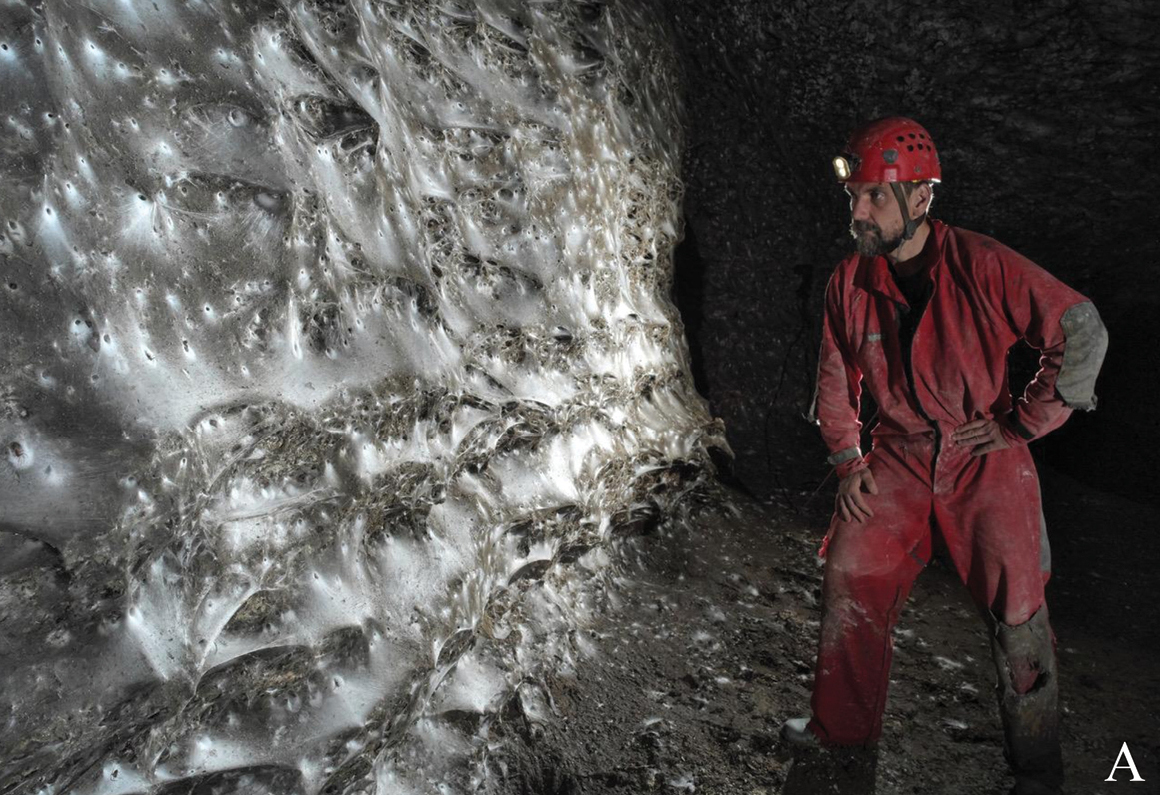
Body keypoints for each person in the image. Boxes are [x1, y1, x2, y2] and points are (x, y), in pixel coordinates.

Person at [782, 117, 1109, 795]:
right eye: (856, 197)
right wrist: (847, 459)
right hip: (897, 454)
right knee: (852, 569)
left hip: (980, 451)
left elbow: (1079, 329)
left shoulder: (982, 263)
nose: (859, 211)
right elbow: (836, 374)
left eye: (876, 197)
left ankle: (1038, 772)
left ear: (923, 199)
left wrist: (1024, 424)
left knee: (1020, 606)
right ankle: (840, 762)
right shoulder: (851, 279)